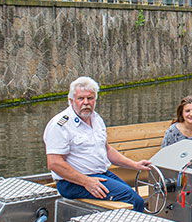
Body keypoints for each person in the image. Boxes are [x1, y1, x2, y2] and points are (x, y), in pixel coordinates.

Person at [43, 77, 151, 211]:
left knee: (134, 196)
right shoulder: (60, 124)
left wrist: (134, 165)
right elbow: (54, 163)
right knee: (133, 200)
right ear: (71, 100)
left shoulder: (96, 118)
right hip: (72, 182)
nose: (86, 103)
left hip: (101, 174)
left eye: (90, 98)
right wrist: (86, 182)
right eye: (81, 98)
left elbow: (107, 150)